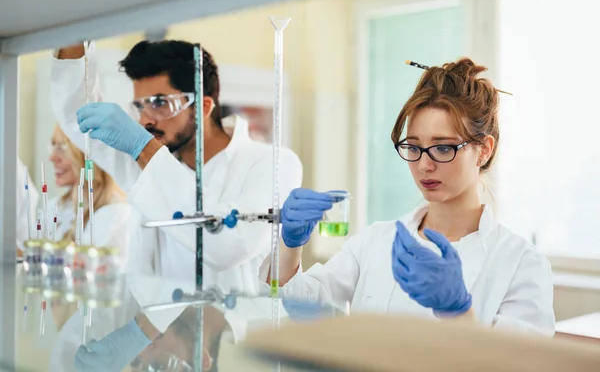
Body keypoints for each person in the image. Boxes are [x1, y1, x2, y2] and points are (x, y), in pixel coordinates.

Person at [268, 58, 555, 335]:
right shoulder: (375, 241)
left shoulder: (520, 263)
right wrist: (290, 245)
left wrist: (459, 312)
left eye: (443, 148)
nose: (423, 165)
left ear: (483, 149)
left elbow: (520, 364)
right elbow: (300, 310)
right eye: (414, 147)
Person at [50, 41, 302, 291]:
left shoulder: (272, 163)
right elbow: (77, 114)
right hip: (153, 326)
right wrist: (78, 25)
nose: (146, 120)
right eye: (140, 105)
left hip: (233, 328)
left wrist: (143, 147)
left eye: (160, 103)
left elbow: (229, 246)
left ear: (203, 107)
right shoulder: (145, 161)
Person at [47, 125, 131, 253]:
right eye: (53, 145)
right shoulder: (57, 206)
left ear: (90, 156)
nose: (52, 158)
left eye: (63, 147)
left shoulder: (115, 215)